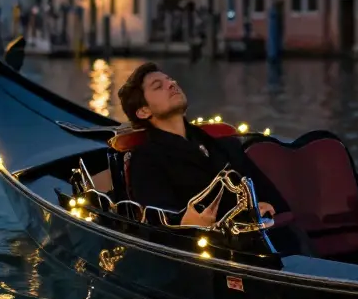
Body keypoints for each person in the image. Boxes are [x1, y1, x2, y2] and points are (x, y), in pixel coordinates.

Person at [116, 62, 297, 238]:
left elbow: (276, 201)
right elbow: (160, 226)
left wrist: (259, 208)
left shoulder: (224, 145)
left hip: (269, 239)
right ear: (143, 111)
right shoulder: (147, 159)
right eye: (158, 86)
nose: (172, 84)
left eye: (170, 80)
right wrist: (186, 224)